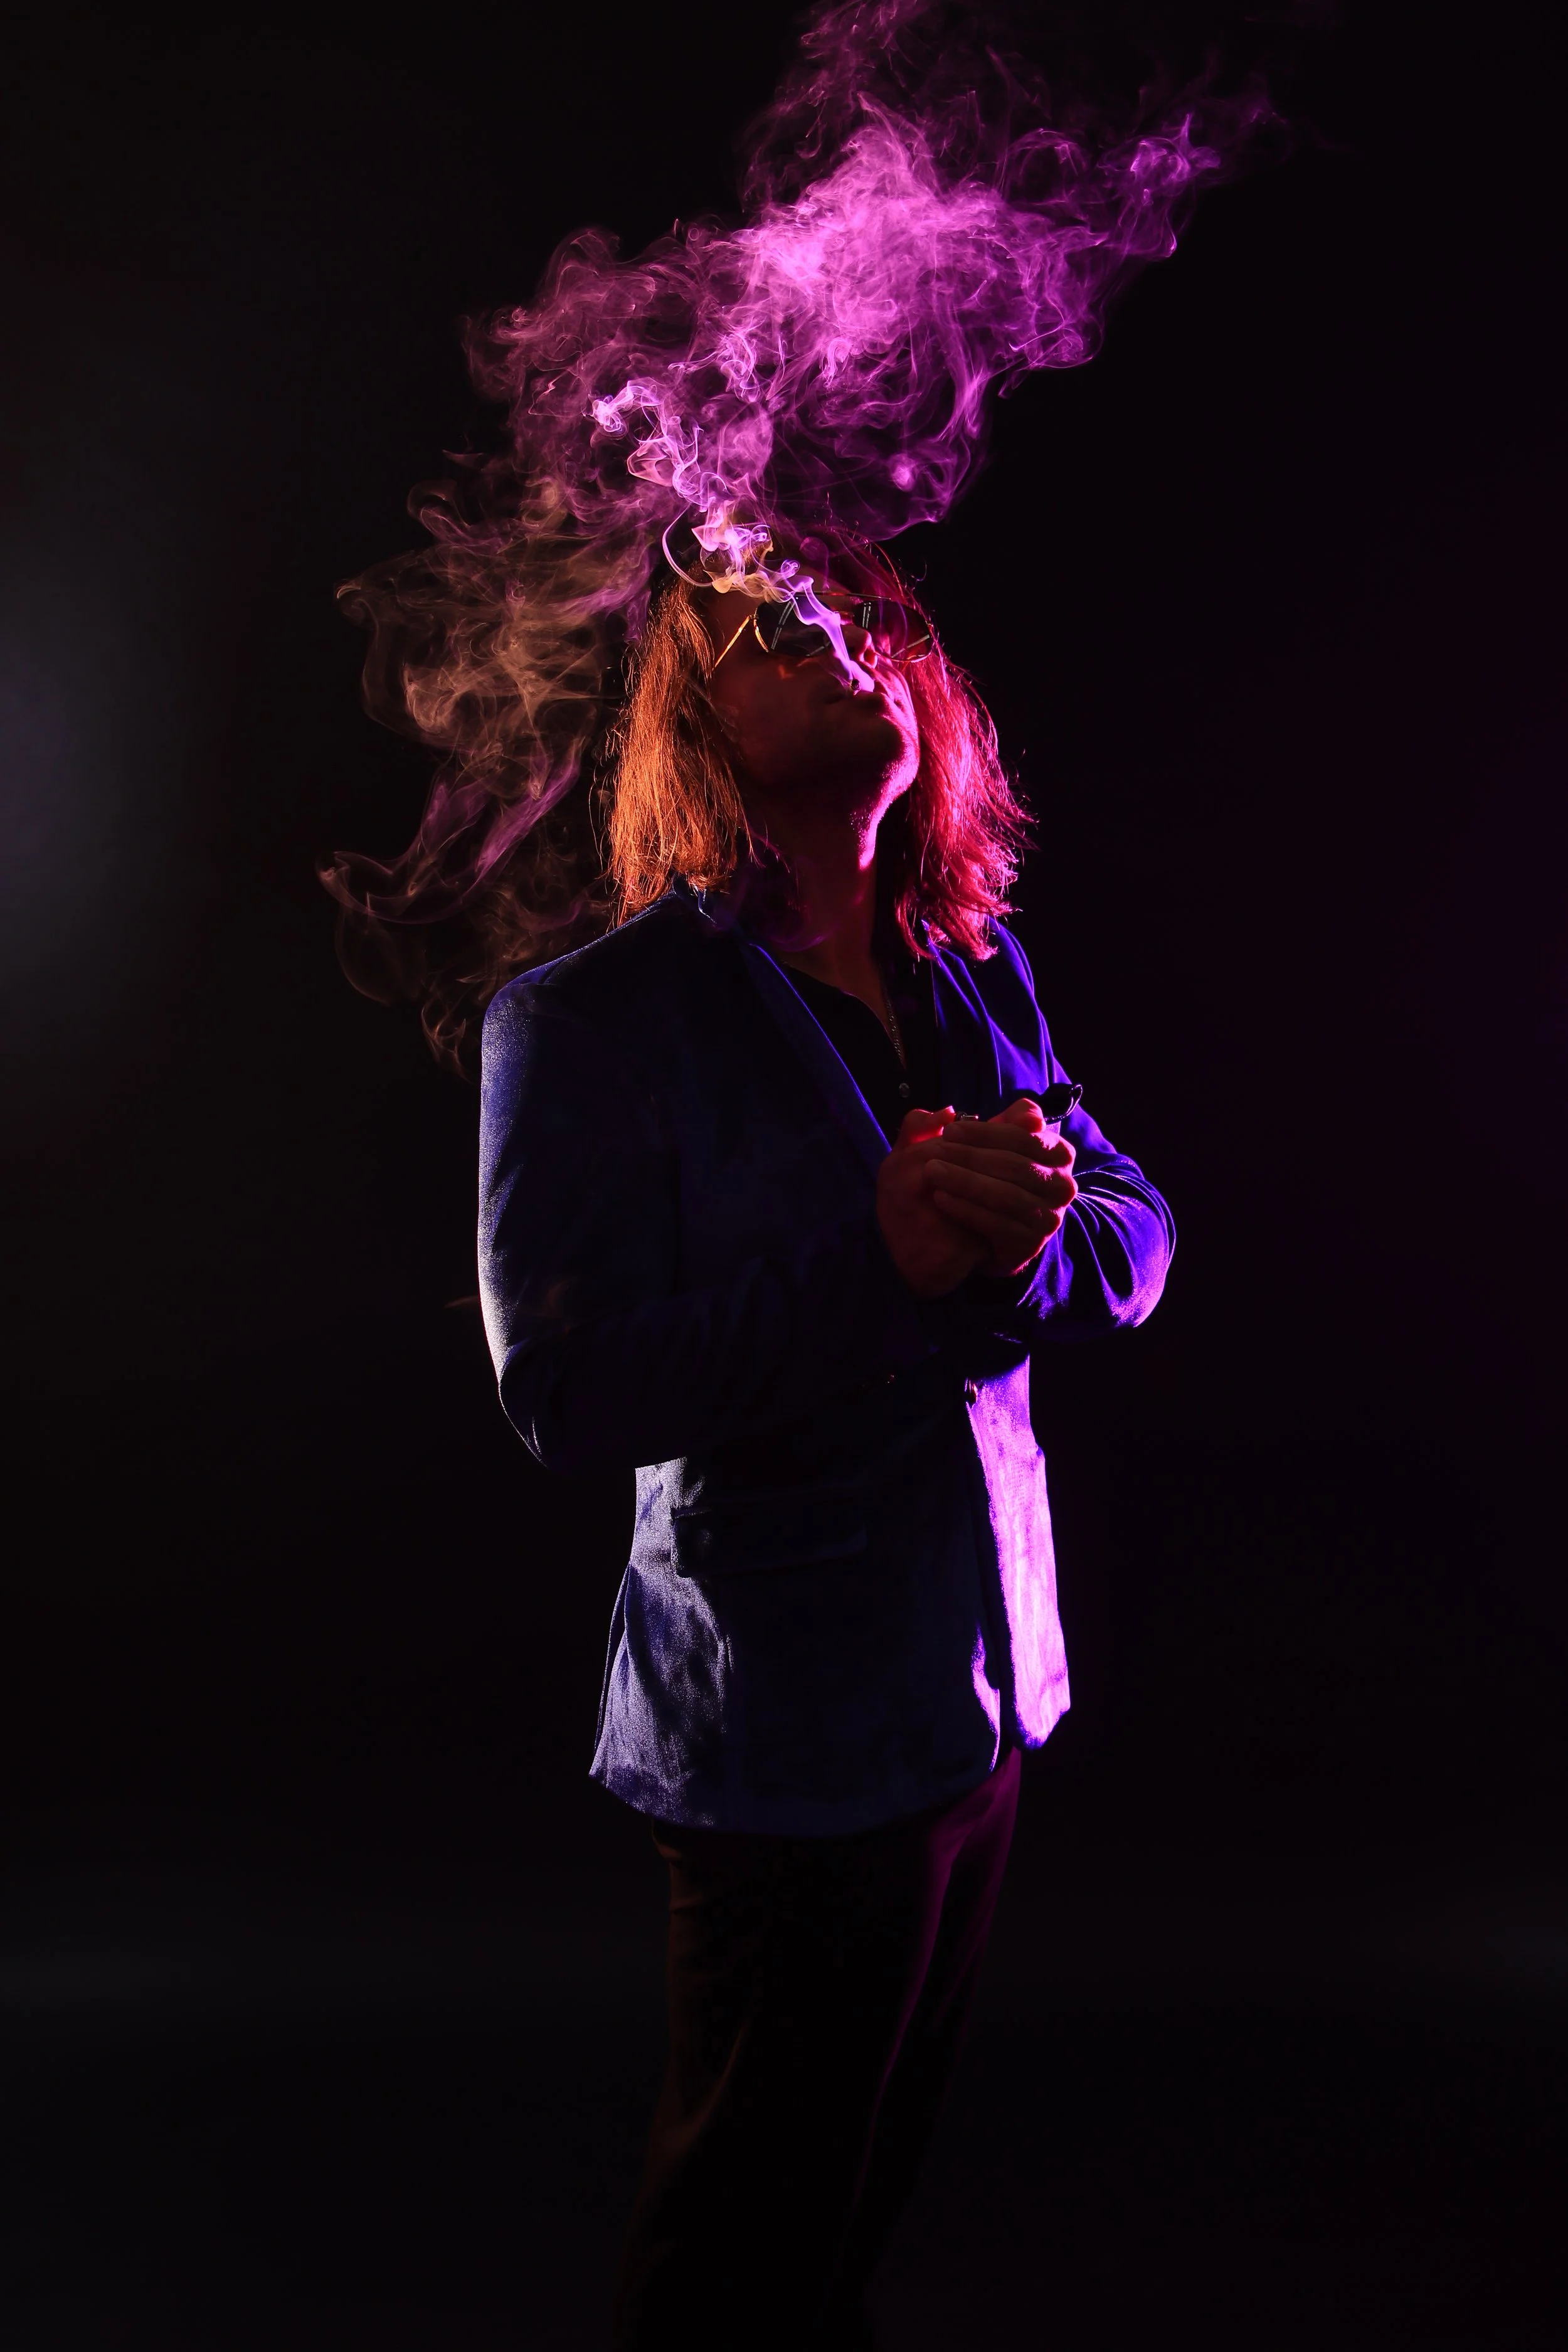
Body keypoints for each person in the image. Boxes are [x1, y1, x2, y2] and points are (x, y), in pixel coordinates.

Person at [476, 532, 1174, 2349]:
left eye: (857, 618)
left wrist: (1029, 1232)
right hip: (779, 1729)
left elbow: (1134, 1229)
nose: (838, 640)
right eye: (769, 630)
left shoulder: (970, 960)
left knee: (855, 2210)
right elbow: (568, 1393)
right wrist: (884, 1264)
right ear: (694, 726)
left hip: (982, 1695)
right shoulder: (588, 1023)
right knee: (741, 2251)